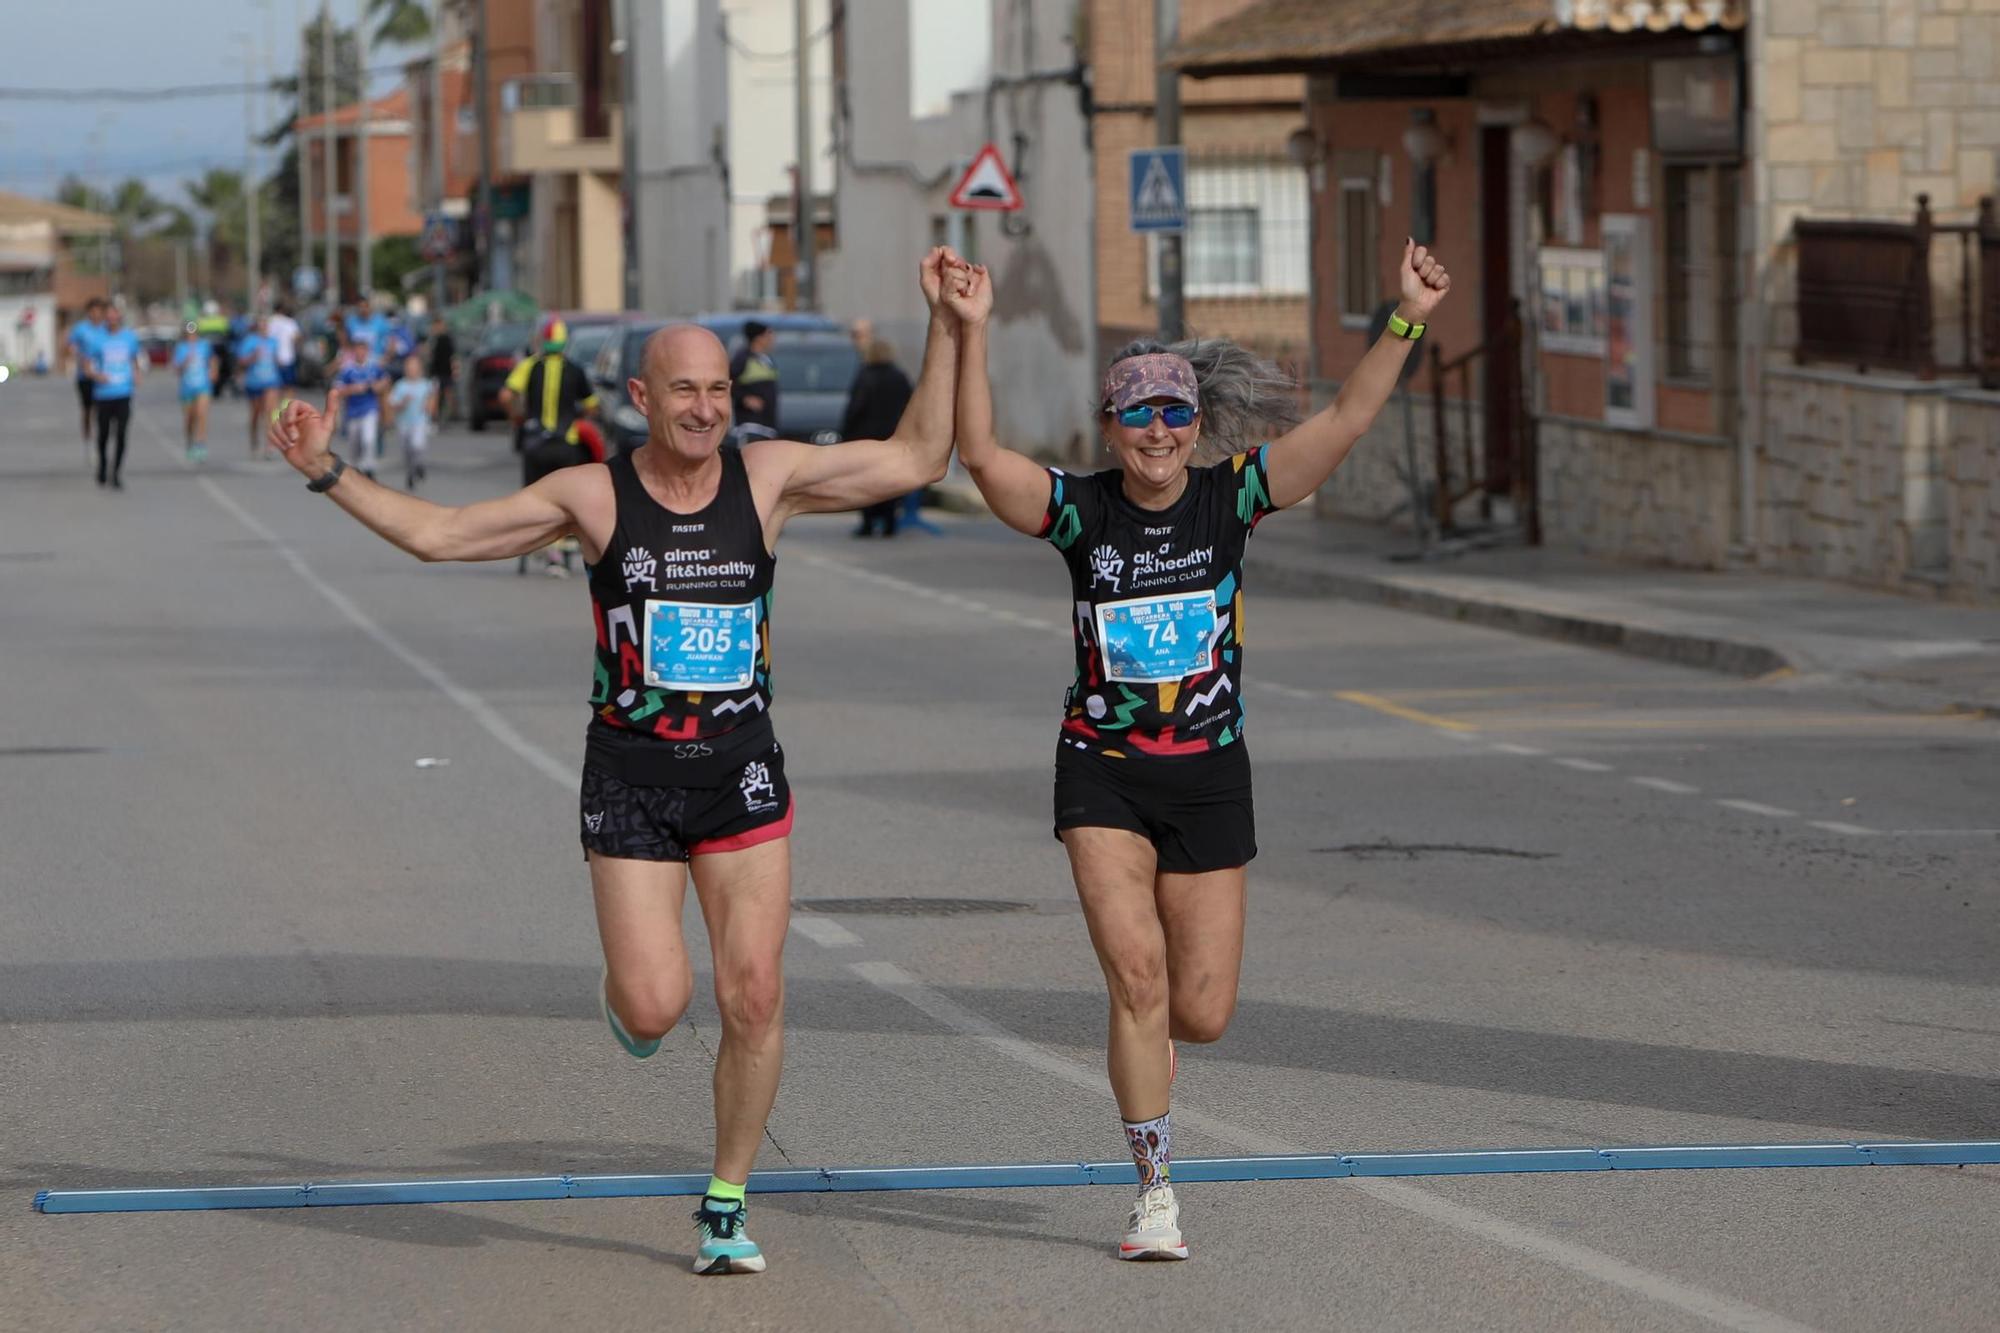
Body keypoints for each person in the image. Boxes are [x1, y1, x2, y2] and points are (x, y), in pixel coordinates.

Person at [267, 247, 968, 1277]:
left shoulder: (767, 478)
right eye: (683, 389)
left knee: (755, 992)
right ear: (640, 396)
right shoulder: (591, 496)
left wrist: (949, 327)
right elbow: (440, 533)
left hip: (739, 769)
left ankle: (725, 1197)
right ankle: (629, 998)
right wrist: (328, 470)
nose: (704, 408)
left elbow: (915, 460)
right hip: (633, 775)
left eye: (718, 389)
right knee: (653, 1004)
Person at [950, 240, 1452, 1261]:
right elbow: (979, 457)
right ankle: (1154, 1189)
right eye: (1137, 413)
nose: (1158, 432)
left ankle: (1154, 1044)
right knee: (1134, 977)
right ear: (1112, 425)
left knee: (1201, 1010)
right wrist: (968, 332)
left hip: (1210, 775)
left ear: (1194, 424)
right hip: (1101, 771)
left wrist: (1404, 316)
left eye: (1174, 412)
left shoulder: (1233, 498)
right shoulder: (1078, 512)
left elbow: (1345, 420)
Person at [500, 316, 604, 575]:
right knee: (565, 499)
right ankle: (562, 548)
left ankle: (538, 544)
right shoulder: (575, 369)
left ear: (542, 341)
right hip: (565, 445)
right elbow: (592, 406)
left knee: (534, 497)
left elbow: (506, 395)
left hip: (535, 443)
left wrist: (517, 416)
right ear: (565, 341)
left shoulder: (530, 365)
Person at [839, 336, 913, 537]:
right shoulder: (899, 377)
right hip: (893, 436)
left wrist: (845, 434)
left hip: (866, 438)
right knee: (890, 481)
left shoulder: (865, 376)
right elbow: (911, 404)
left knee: (866, 481)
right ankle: (890, 522)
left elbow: (855, 407)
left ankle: (868, 522)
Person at [88, 303, 145, 490]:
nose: (112, 318)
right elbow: (87, 365)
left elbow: (134, 359)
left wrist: (137, 373)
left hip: (123, 392)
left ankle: (116, 472)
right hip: (104, 394)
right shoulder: (98, 339)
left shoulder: (129, 337)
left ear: (120, 317)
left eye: (115, 315)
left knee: (121, 433)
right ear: (105, 317)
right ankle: (102, 466)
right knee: (103, 435)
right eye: (109, 315)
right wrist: (97, 376)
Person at [329, 334, 391, 479]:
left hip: (370, 409)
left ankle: (369, 468)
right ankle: (355, 470)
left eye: (363, 350)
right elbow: (337, 390)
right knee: (354, 445)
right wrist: (353, 389)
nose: (360, 353)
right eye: (357, 350)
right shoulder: (348, 370)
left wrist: (376, 387)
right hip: (352, 412)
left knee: (368, 439)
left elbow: (385, 381)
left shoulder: (374, 367)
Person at [386, 353, 437, 490]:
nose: (412, 369)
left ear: (420, 368)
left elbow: (432, 398)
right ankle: (411, 471)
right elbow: (392, 403)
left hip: (420, 421)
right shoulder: (400, 385)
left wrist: (429, 407)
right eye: (409, 367)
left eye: (414, 366)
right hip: (403, 422)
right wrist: (402, 403)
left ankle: (419, 465)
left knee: (417, 445)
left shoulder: (426, 384)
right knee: (406, 450)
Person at [236, 315, 283, 459]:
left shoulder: (273, 342)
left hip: (271, 381)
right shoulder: (250, 341)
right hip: (254, 382)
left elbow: (277, 360)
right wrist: (252, 357)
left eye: (266, 326)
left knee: (270, 413)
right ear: (257, 327)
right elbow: (241, 361)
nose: (264, 329)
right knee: (256, 415)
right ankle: (254, 441)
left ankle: (270, 445)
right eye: (262, 326)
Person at [171, 322, 218, 462]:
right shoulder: (181, 348)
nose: (192, 335)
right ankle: (190, 441)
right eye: (189, 333)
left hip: (203, 386)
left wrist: (214, 371)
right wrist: (185, 362)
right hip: (187, 388)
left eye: (194, 332)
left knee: (201, 414)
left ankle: (200, 444)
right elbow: (176, 369)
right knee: (189, 419)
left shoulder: (204, 345)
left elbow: (213, 359)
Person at [65, 297, 107, 449]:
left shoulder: (105, 328)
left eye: (99, 311)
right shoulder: (81, 329)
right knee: (87, 408)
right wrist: (76, 354)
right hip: (85, 375)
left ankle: (101, 434)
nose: (96, 314)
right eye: (93, 311)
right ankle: (87, 435)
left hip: (102, 376)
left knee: (101, 407)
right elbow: (70, 345)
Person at [727, 320, 779, 442]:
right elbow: (727, 382)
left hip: (767, 425)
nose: (772, 339)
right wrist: (744, 398)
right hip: (751, 426)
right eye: (768, 334)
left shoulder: (767, 360)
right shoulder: (743, 359)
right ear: (759, 338)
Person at [427, 321, 458, 422]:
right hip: (438, 372)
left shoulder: (446, 339)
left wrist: (454, 370)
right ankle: (437, 416)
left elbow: (453, 357)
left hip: (444, 372)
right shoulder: (435, 339)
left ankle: (450, 415)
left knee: (444, 394)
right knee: (437, 394)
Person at [268, 303, 302, 387]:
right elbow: (297, 338)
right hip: (287, 357)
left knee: (273, 387)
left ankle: (276, 400)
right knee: (288, 386)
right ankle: (285, 401)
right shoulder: (290, 322)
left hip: (271, 359)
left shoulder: (269, 321)